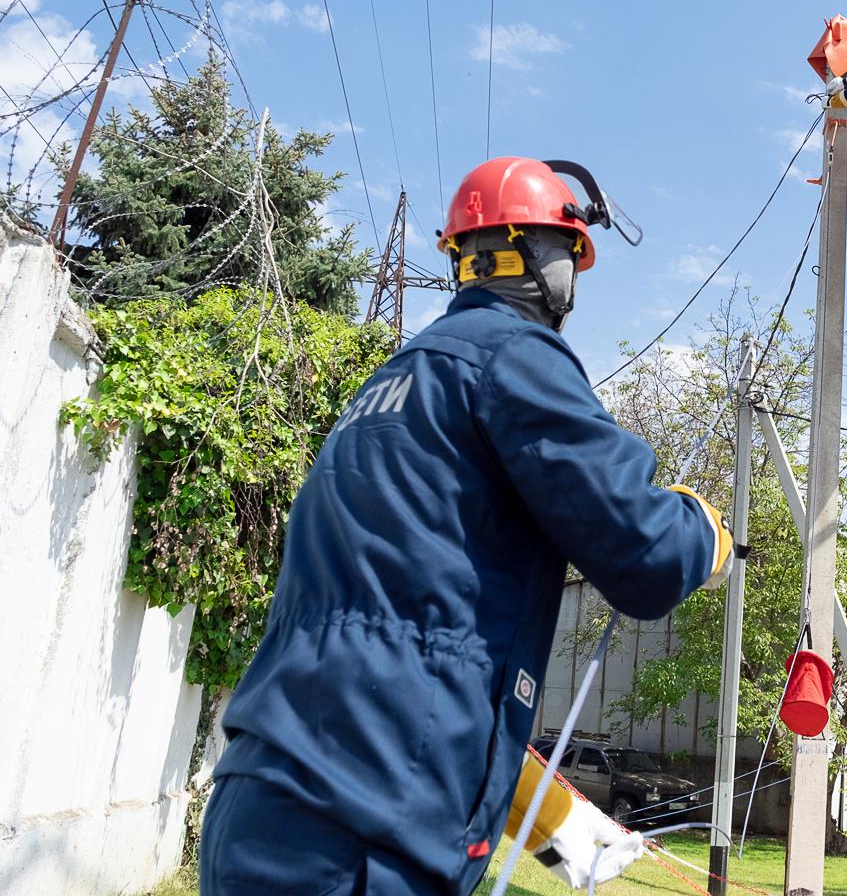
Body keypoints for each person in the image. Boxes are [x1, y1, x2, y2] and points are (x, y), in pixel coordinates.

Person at [200, 156, 733, 894]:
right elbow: (645, 552)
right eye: (573, 260)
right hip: (362, 838)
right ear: (548, 261)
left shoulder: (387, 391)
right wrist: (705, 533)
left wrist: (547, 814)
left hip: (263, 811)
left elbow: (402, 647)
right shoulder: (514, 355)